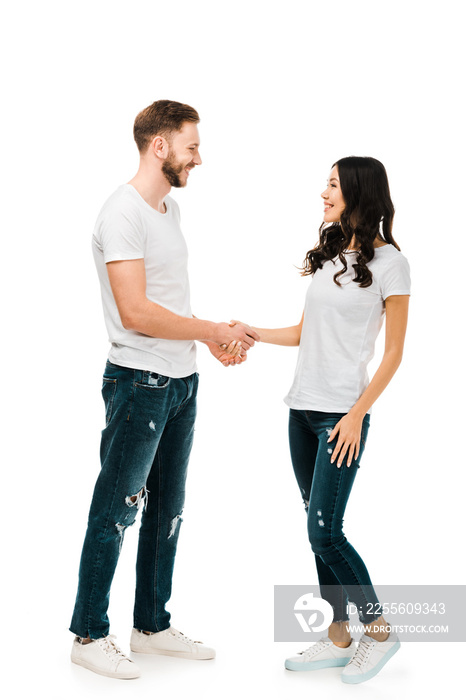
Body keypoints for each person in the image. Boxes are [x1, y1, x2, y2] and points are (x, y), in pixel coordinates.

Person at [70, 99, 258, 680]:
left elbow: (168, 303)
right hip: (139, 382)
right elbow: (135, 313)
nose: (198, 157)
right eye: (191, 146)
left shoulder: (168, 210)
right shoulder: (121, 212)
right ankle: (88, 633)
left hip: (180, 383)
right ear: (160, 146)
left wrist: (209, 342)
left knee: (167, 512)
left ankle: (150, 624)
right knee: (116, 509)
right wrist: (210, 330)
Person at [230, 156, 410, 684]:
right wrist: (253, 332)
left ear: (358, 190)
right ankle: (337, 635)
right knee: (317, 529)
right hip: (301, 409)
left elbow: (394, 353)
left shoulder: (392, 264)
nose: (323, 192)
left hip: (340, 416)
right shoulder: (333, 257)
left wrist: (356, 415)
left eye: (332, 184)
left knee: (326, 531)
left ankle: (378, 630)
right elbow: (306, 331)